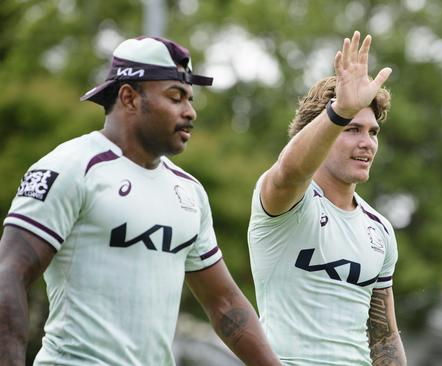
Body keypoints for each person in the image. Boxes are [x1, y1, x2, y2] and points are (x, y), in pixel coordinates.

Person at [0, 36, 280, 366]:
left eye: (190, 99)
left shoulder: (188, 192)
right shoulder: (71, 168)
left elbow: (224, 303)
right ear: (129, 98)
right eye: (176, 97)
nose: (190, 111)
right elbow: (10, 276)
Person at [247, 31, 407, 365]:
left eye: (372, 132)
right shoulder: (286, 201)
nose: (367, 143)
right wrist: (339, 112)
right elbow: (290, 170)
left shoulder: (379, 229)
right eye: (352, 129)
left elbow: (384, 337)